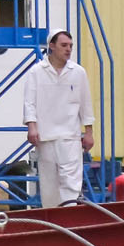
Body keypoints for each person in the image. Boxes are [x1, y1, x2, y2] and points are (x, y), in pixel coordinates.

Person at [23, 30, 95, 208]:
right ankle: (53, 221)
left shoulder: (78, 72)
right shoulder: (36, 72)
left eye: (70, 46)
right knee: (49, 186)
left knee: (71, 184)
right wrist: (32, 127)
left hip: (70, 137)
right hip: (46, 137)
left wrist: (89, 133)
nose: (68, 49)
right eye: (64, 45)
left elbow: (85, 103)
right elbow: (29, 102)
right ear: (52, 46)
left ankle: (69, 220)